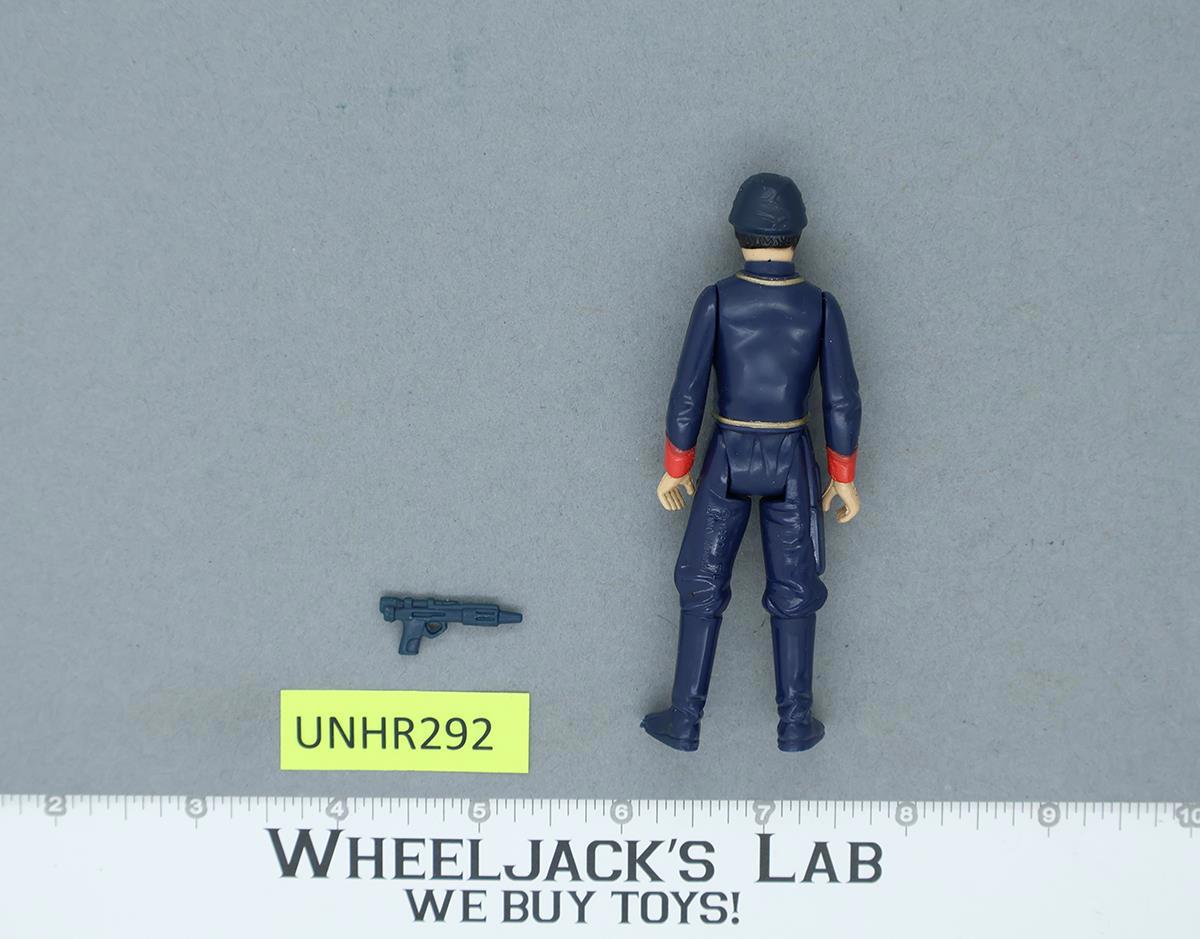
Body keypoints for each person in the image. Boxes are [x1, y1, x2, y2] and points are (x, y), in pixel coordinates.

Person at [642, 172, 863, 752]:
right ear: (799, 231)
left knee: (701, 583)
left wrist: (677, 463)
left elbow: (688, 390)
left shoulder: (718, 299)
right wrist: (843, 476)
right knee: (796, 588)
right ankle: (795, 725)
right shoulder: (820, 305)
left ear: (736, 229)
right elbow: (841, 398)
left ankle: (685, 720)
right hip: (792, 457)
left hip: (729, 454)